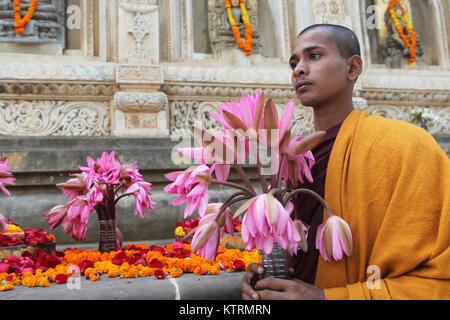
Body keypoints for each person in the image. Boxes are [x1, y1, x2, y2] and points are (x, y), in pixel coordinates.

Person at [241, 24, 450, 300]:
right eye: (294, 62)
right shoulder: (293, 161)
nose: (298, 70)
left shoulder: (407, 146)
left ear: (352, 68)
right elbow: (303, 255)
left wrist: (328, 297)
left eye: (313, 56)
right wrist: (269, 276)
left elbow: (437, 278)